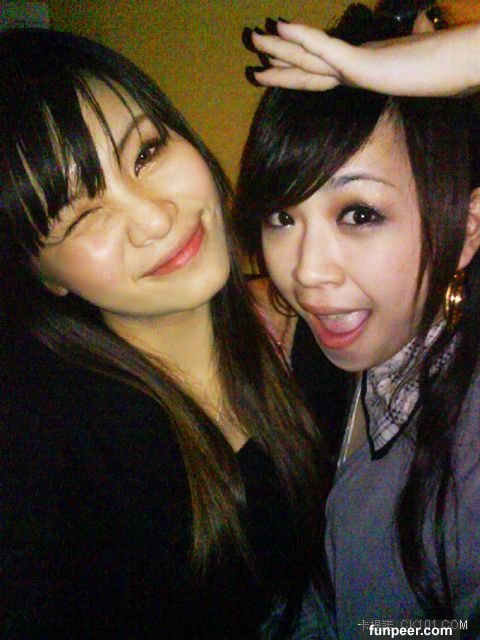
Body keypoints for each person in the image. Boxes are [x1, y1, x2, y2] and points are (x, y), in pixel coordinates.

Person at [0, 28, 334, 639]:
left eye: (146, 153)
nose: (155, 218)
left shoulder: (315, 323)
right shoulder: (53, 443)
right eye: (82, 214)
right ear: (43, 276)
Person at [236, 2, 480, 636]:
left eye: (360, 214)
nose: (306, 273)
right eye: (282, 217)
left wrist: (458, 60)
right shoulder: (332, 358)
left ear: (466, 229)